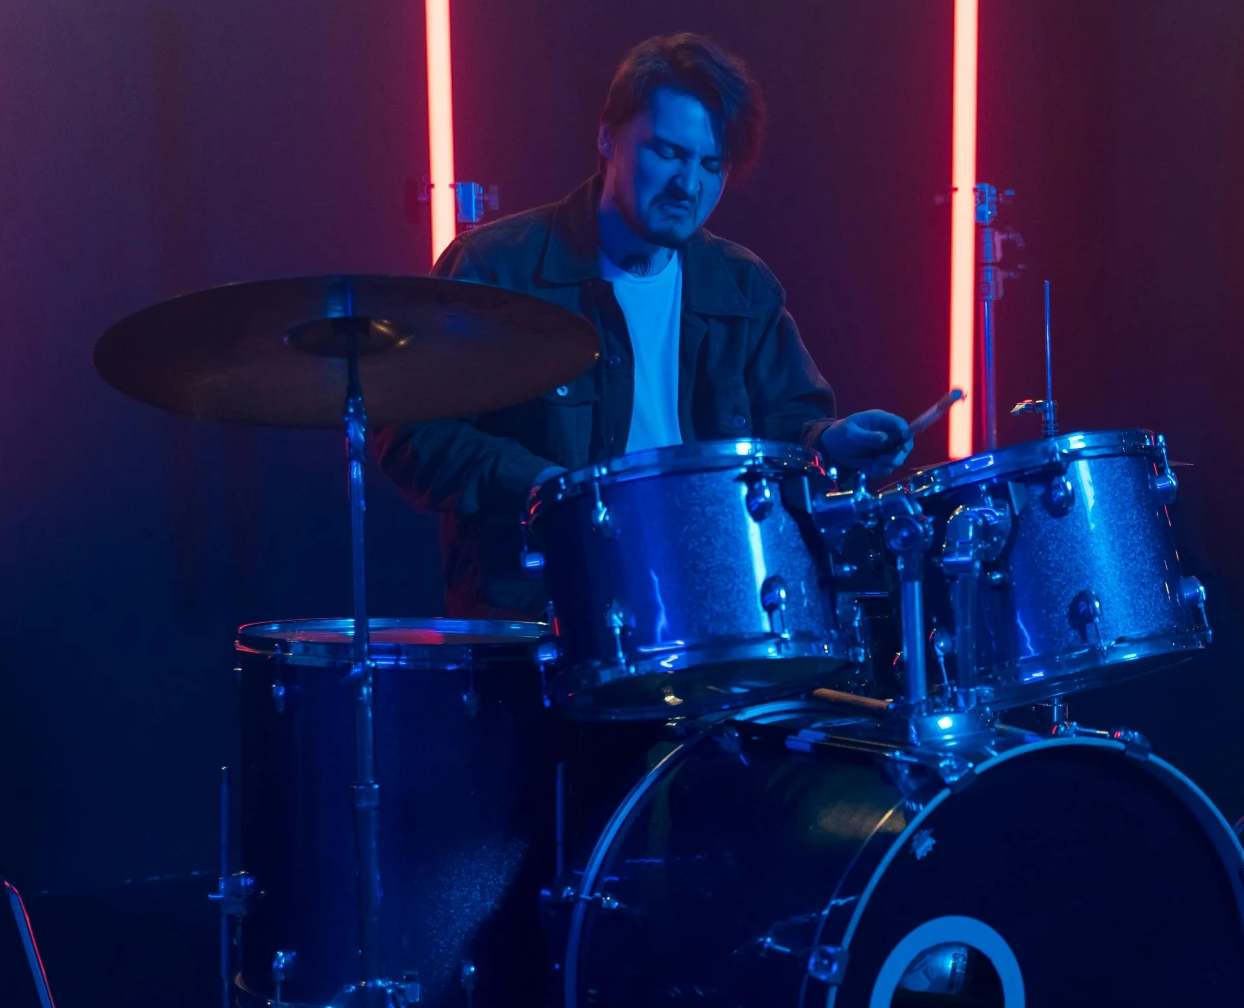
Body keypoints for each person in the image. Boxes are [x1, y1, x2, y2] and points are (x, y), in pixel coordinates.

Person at [377, 32, 909, 617]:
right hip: (545, 618)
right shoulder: (496, 266)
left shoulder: (741, 284)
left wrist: (830, 441)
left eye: (712, 164)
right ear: (607, 137)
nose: (690, 185)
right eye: (667, 153)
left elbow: (788, 425)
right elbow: (412, 432)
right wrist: (545, 487)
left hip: (711, 609)